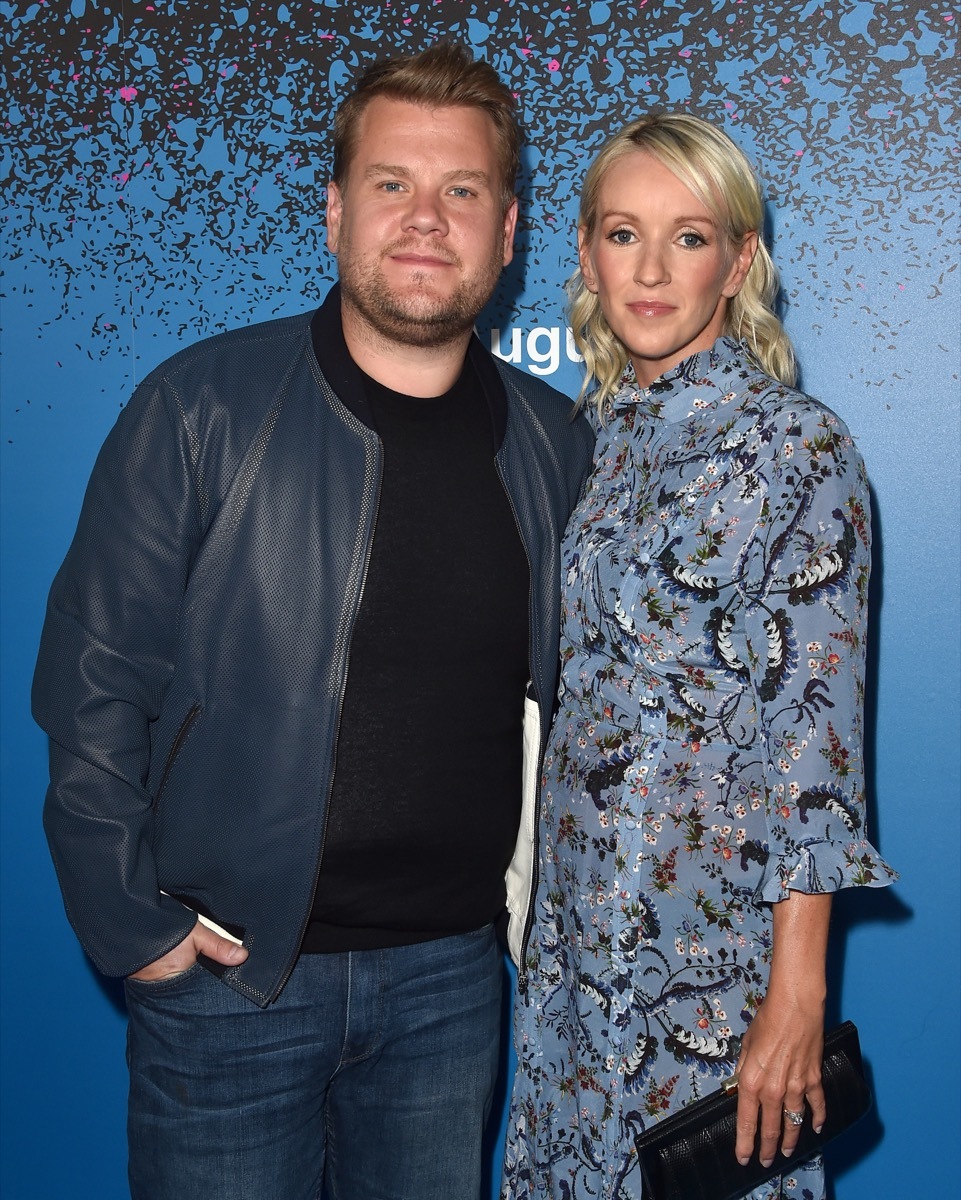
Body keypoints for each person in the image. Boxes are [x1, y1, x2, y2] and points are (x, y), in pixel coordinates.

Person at [33, 44, 593, 1200]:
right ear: (334, 214)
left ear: (509, 228)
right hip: (231, 986)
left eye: (462, 192)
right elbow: (93, 681)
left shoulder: (557, 444)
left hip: (450, 988)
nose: (425, 219)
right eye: (391, 185)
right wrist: (135, 928)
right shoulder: (199, 409)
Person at [500, 113, 897, 1200]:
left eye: (689, 236)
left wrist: (798, 992)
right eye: (625, 233)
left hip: (709, 959)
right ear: (584, 252)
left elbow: (812, 753)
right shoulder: (588, 435)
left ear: (739, 260)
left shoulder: (793, 445)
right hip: (574, 954)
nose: (652, 269)